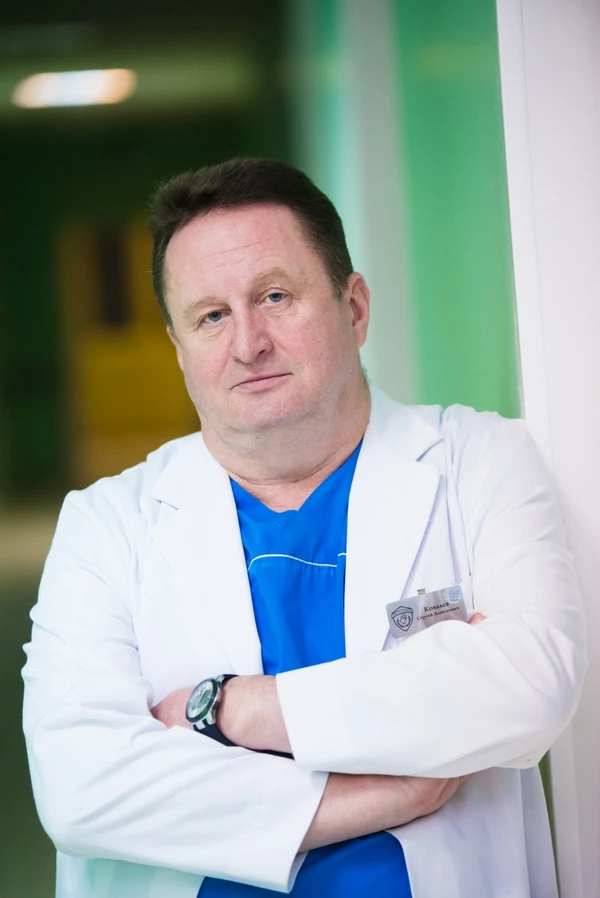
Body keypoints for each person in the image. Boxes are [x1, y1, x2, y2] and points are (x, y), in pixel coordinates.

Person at [22, 158, 585, 898]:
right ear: (179, 348)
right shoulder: (105, 524)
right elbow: (81, 788)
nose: (248, 343)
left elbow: (532, 686)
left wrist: (232, 707)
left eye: (275, 297)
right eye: (211, 316)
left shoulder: (478, 460)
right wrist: (383, 794)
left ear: (355, 308)